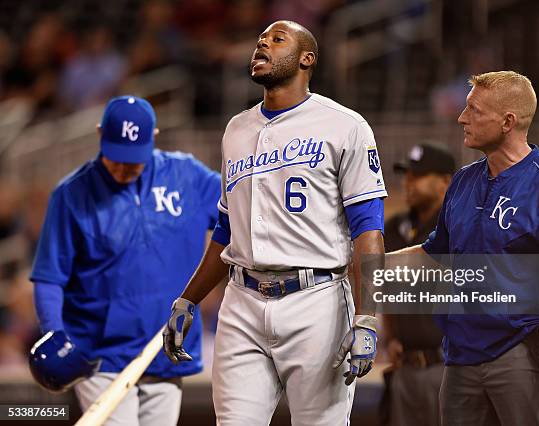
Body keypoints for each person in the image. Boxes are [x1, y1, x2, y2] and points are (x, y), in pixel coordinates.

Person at [162, 20, 387, 425]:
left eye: (277, 39)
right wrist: (188, 299)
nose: (263, 44)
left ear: (307, 59)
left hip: (316, 302)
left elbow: (368, 231)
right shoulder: (236, 129)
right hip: (242, 301)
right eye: (260, 40)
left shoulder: (345, 126)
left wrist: (368, 317)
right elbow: (226, 231)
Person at [393, 71, 539, 425]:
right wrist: (365, 263)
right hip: (459, 357)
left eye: (474, 110)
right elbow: (432, 254)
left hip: (522, 355)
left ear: (507, 121)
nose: (462, 118)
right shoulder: (462, 181)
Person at [29, 95, 221, 425]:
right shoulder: (72, 193)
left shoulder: (186, 176)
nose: (123, 167)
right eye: (116, 157)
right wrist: (55, 334)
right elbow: (50, 276)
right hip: (101, 355)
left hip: (163, 350)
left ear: (154, 137)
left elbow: (241, 209)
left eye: (133, 159)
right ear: (101, 135)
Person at [381, 143, 455, 426]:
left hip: (447, 365)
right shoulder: (395, 226)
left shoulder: (457, 225)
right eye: (407, 176)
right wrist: (390, 337)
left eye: (418, 176)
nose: (408, 183)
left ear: (445, 182)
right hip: (406, 368)